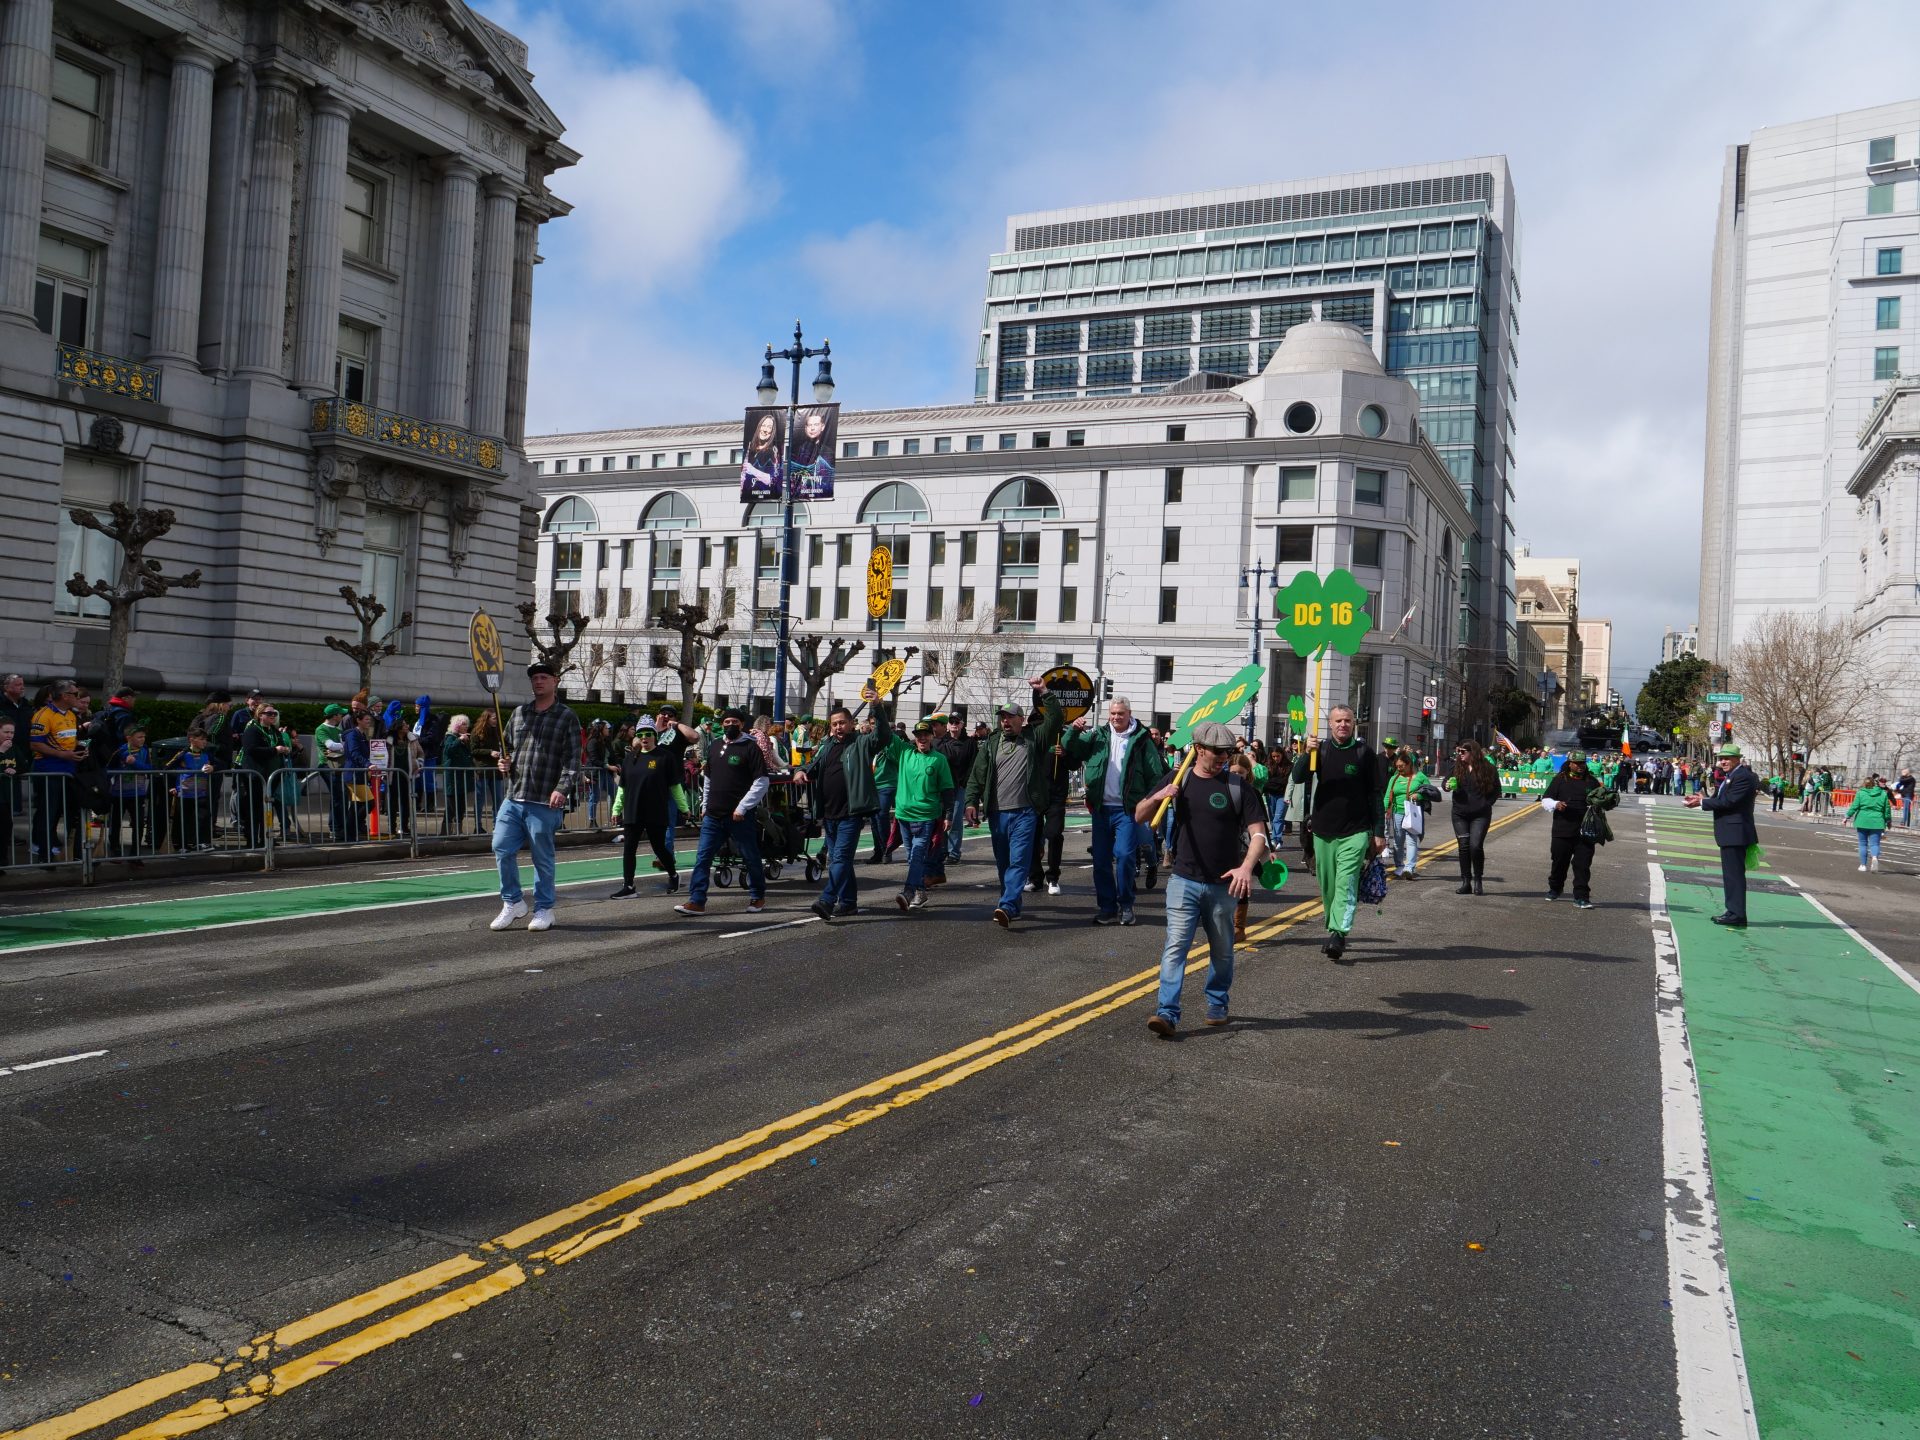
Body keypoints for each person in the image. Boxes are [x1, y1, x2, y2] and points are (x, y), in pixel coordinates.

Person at [1138, 721, 1270, 1037]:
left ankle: (1218, 1001)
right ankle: (1166, 1013)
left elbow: (1259, 835)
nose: (1224, 756)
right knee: (1175, 947)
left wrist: (1246, 867)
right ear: (1199, 749)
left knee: (1222, 950)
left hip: (1224, 885)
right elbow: (1140, 815)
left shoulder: (1239, 788)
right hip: (1183, 881)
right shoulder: (1177, 778)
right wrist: (1159, 797)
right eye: (1218, 751)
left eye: (1229, 751)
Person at [489, 660, 582, 932]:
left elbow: (573, 759)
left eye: (544, 677)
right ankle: (513, 902)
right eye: (534, 678)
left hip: (544, 800)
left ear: (555, 681)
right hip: (514, 796)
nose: (538, 681)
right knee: (500, 847)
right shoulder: (519, 714)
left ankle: (544, 908)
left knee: (542, 857)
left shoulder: (566, 716)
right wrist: (503, 763)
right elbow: (506, 750)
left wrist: (561, 789)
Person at [1290, 704, 1386, 963]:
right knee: (1329, 887)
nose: (1343, 724)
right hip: (1322, 831)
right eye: (1338, 721)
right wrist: (1305, 752)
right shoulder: (1319, 750)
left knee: (1346, 884)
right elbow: (1298, 777)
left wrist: (1379, 832)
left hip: (1355, 831)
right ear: (1329, 724)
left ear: (1354, 724)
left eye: (1347, 720)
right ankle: (1333, 929)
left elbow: (1375, 795)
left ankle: (1340, 934)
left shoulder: (1364, 753)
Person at [965, 678, 1064, 928]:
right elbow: (977, 774)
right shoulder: (991, 743)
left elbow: (1056, 719)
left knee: (1019, 861)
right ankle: (1013, 906)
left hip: (1025, 813)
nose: (1005, 721)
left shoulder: (1034, 739)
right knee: (1004, 864)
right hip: (998, 814)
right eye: (1002, 717)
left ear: (1022, 720)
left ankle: (1007, 905)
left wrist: (1044, 692)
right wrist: (971, 802)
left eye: (1010, 717)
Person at [1062, 695, 1169, 924]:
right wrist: (1073, 730)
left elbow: (1154, 775)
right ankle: (1107, 907)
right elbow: (1071, 747)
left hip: (1127, 810)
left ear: (1129, 714)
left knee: (1124, 856)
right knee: (1100, 860)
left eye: (1120, 713)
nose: (1116, 717)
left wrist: (1152, 805)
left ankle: (1126, 905)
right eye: (1112, 713)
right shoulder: (1098, 735)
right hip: (1101, 809)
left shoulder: (1142, 740)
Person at [796, 687, 892, 921]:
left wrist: (877, 706)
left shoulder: (862, 743)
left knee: (839, 859)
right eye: (834, 724)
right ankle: (848, 903)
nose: (838, 727)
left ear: (851, 724)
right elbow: (815, 765)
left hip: (851, 813)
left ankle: (828, 900)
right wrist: (801, 770)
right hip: (829, 814)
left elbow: (884, 736)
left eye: (842, 723)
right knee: (842, 861)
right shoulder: (828, 746)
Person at [674, 708, 771, 917]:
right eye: (726, 721)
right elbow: (708, 778)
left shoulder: (750, 748)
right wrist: (704, 805)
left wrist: (742, 807)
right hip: (713, 815)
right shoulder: (715, 745)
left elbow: (762, 782)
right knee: (703, 857)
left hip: (739, 816)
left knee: (750, 856)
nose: (729, 725)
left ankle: (758, 895)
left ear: (742, 724)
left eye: (734, 721)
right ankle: (697, 901)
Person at [1686, 742, 1757, 928]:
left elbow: (1729, 802)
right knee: (1730, 875)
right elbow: (1721, 799)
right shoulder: (1731, 776)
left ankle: (1736, 914)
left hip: (1736, 832)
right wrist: (1703, 800)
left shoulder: (1742, 776)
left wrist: (1702, 804)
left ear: (1737, 759)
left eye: (1727, 758)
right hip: (1730, 832)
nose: (1723, 762)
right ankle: (1733, 911)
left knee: (1734, 875)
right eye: (1721, 758)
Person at [891, 717, 956, 911]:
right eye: (919, 735)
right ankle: (920, 892)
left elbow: (947, 790)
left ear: (931, 736)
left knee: (918, 854)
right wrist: (877, 704)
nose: (922, 738)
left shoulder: (939, 759)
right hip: (904, 815)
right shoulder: (905, 753)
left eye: (926, 734)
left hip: (927, 816)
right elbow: (885, 735)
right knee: (912, 857)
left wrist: (949, 815)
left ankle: (909, 891)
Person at [608, 721, 680, 896]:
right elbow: (623, 788)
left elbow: (675, 786)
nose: (644, 738)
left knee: (659, 848)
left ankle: (673, 874)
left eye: (648, 734)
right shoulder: (630, 758)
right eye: (640, 734)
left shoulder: (665, 757)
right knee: (629, 849)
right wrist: (616, 810)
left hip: (656, 810)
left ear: (655, 735)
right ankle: (629, 886)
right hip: (634, 810)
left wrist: (684, 808)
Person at [1542, 752, 1616, 910]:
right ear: (1570, 763)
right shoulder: (1560, 779)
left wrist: (1608, 800)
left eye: (1582, 763)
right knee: (1559, 862)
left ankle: (1581, 897)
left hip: (1586, 831)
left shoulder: (1592, 781)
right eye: (1576, 763)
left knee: (1582, 865)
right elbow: (1546, 799)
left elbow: (1603, 800)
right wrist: (1556, 805)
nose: (1580, 766)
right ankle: (1555, 888)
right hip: (1562, 829)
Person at [29, 679, 85, 862]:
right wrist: (62, 755)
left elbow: (69, 740)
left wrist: (82, 747)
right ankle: (45, 856)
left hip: (70, 770)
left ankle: (74, 853)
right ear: (64, 696)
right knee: (49, 813)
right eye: (75, 694)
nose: (79, 697)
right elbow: (36, 744)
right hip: (49, 772)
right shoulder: (43, 715)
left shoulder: (71, 715)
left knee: (72, 812)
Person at [1445, 741, 1500, 895]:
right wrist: (1447, 786)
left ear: (1473, 753)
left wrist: (1486, 804)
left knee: (1475, 846)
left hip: (1480, 815)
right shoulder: (1457, 767)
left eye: (1463, 751)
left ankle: (1478, 879)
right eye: (1459, 751)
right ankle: (1466, 882)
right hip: (1459, 814)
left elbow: (1497, 790)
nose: (1460, 754)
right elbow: (1445, 783)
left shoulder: (1488, 768)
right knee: (1463, 846)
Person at [106, 721, 162, 859]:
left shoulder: (144, 751)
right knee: (116, 822)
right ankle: (114, 847)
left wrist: (135, 763)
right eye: (139, 737)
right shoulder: (120, 751)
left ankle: (135, 851)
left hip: (138, 793)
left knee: (138, 823)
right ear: (129, 738)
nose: (142, 739)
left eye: (143, 737)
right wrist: (121, 770)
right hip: (119, 793)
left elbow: (149, 769)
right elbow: (107, 770)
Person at [934, 714, 978, 862]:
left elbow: (974, 764)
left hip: (960, 786)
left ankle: (954, 853)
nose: (954, 724)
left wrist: (966, 782)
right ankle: (943, 850)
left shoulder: (970, 742)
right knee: (941, 818)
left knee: (955, 820)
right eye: (951, 722)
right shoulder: (941, 741)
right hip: (943, 786)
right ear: (947, 725)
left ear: (962, 724)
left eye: (957, 722)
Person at [167, 725, 217, 851]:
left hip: (201, 792)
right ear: (191, 739)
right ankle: (181, 845)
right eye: (201, 739)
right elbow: (167, 768)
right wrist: (172, 786)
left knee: (203, 817)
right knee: (183, 819)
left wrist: (213, 768)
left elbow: (221, 763)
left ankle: (200, 842)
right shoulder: (182, 754)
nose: (204, 742)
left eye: (205, 739)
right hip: (184, 793)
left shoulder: (206, 754)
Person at [1382, 751, 1430, 880]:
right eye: (1397, 766)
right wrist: (1384, 809)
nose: (1399, 769)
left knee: (1411, 840)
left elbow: (1429, 791)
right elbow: (1387, 795)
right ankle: (1399, 865)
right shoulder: (1394, 777)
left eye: (1402, 766)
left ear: (1409, 764)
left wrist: (1418, 796)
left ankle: (1409, 867)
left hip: (1413, 812)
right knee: (1398, 841)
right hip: (1397, 812)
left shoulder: (1420, 777)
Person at [1845, 774, 1892, 873]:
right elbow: (1887, 809)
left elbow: (1854, 806)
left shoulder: (1861, 793)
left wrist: (1847, 817)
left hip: (1862, 820)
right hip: (1877, 821)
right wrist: (1888, 820)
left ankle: (1863, 865)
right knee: (1875, 843)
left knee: (1863, 844)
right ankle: (1874, 858)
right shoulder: (1883, 793)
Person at [442, 715, 474, 835]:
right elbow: (448, 750)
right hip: (453, 777)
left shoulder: (463, 738)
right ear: (457, 726)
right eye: (463, 724)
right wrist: (459, 740)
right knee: (451, 806)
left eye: (466, 724)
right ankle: (446, 831)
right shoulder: (450, 737)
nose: (466, 727)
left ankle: (457, 831)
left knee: (461, 806)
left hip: (462, 777)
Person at [0, 718, 19, 866]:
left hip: (5, 797)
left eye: (12, 732)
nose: (9, 735)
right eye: (6, 731)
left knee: (6, 826)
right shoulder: (5, 748)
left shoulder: (13, 748)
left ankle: (3, 861)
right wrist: (1, 751)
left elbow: (25, 764)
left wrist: (15, 769)